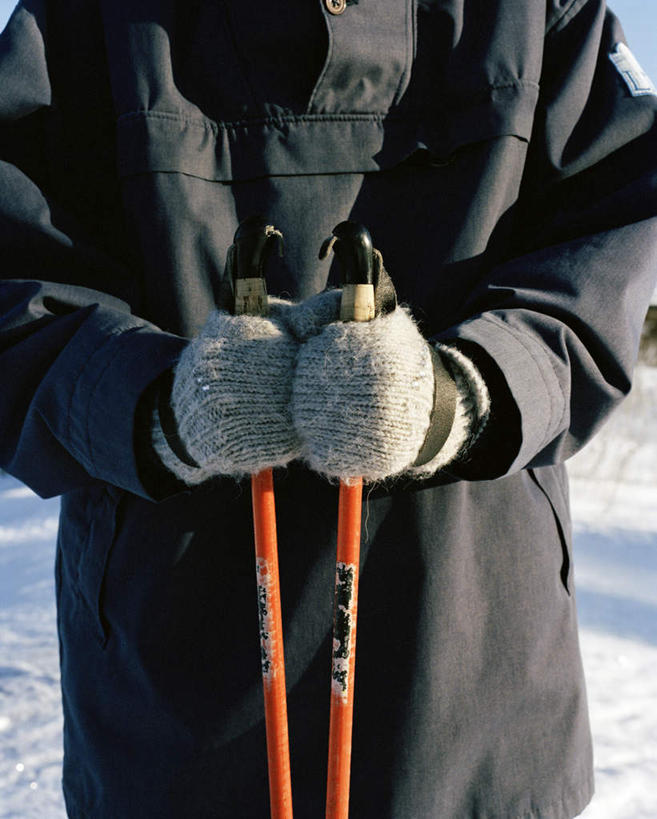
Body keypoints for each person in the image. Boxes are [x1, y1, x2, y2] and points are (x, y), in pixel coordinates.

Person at [1, 0, 656, 816]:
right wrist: (161, 405)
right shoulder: (84, 21)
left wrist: (462, 396)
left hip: (475, 694)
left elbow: (613, 240)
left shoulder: (538, 13)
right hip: (168, 717)